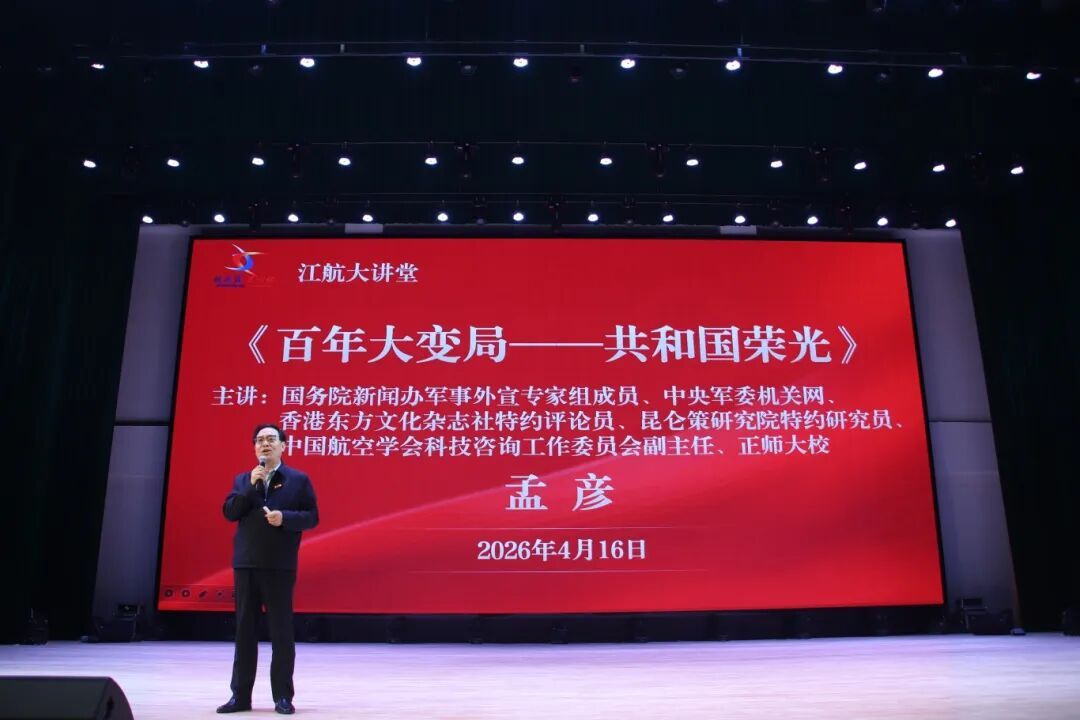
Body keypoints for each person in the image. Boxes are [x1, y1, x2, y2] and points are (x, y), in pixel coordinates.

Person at [217, 424, 319, 715]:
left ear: (283, 446)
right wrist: (250, 486)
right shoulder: (243, 479)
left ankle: (283, 697)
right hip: (247, 563)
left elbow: (312, 517)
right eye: (260, 440)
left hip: (279, 565)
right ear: (254, 448)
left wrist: (284, 517)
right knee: (244, 633)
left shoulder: (298, 480)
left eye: (271, 439)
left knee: (281, 633)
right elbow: (230, 512)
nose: (265, 444)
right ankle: (240, 697)